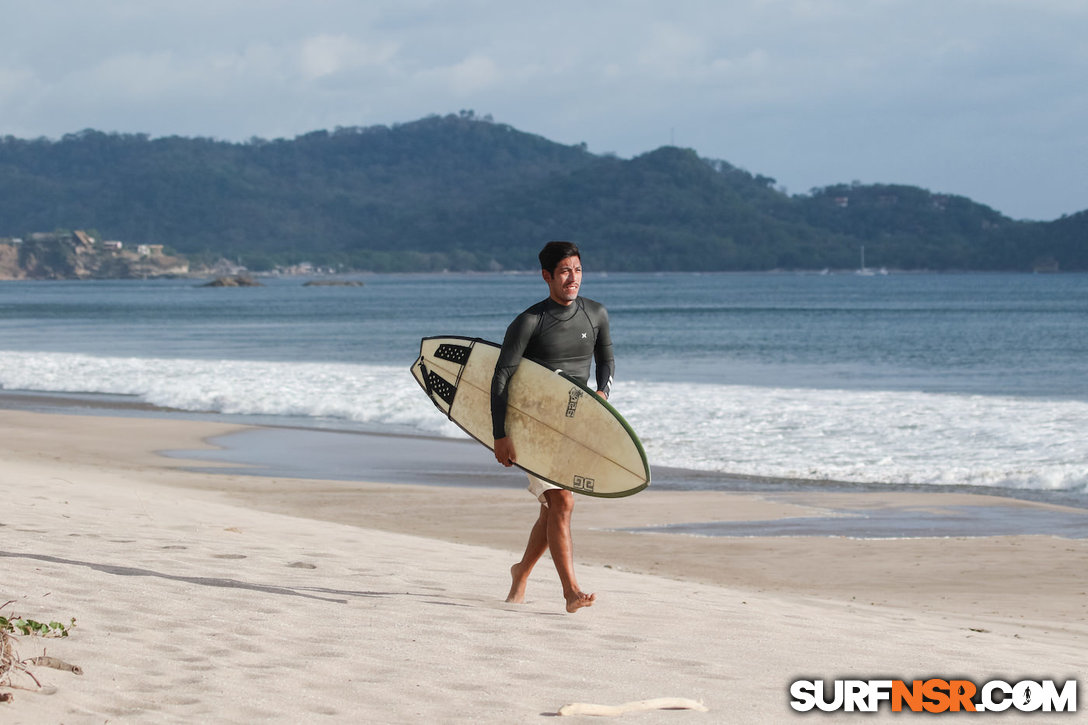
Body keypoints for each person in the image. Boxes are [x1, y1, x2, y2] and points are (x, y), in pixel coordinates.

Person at [491, 241, 614, 613]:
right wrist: (501, 435)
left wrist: (603, 392)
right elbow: (500, 378)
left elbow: (606, 358)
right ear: (547, 276)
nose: (572, 278)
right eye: (564, 271)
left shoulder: (595, 313)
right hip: (532, 425)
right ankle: (570, 592)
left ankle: (520, 573)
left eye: (577, 270)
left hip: (572, 424)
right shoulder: (529, 322)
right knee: (562, 500)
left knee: (550, 509)